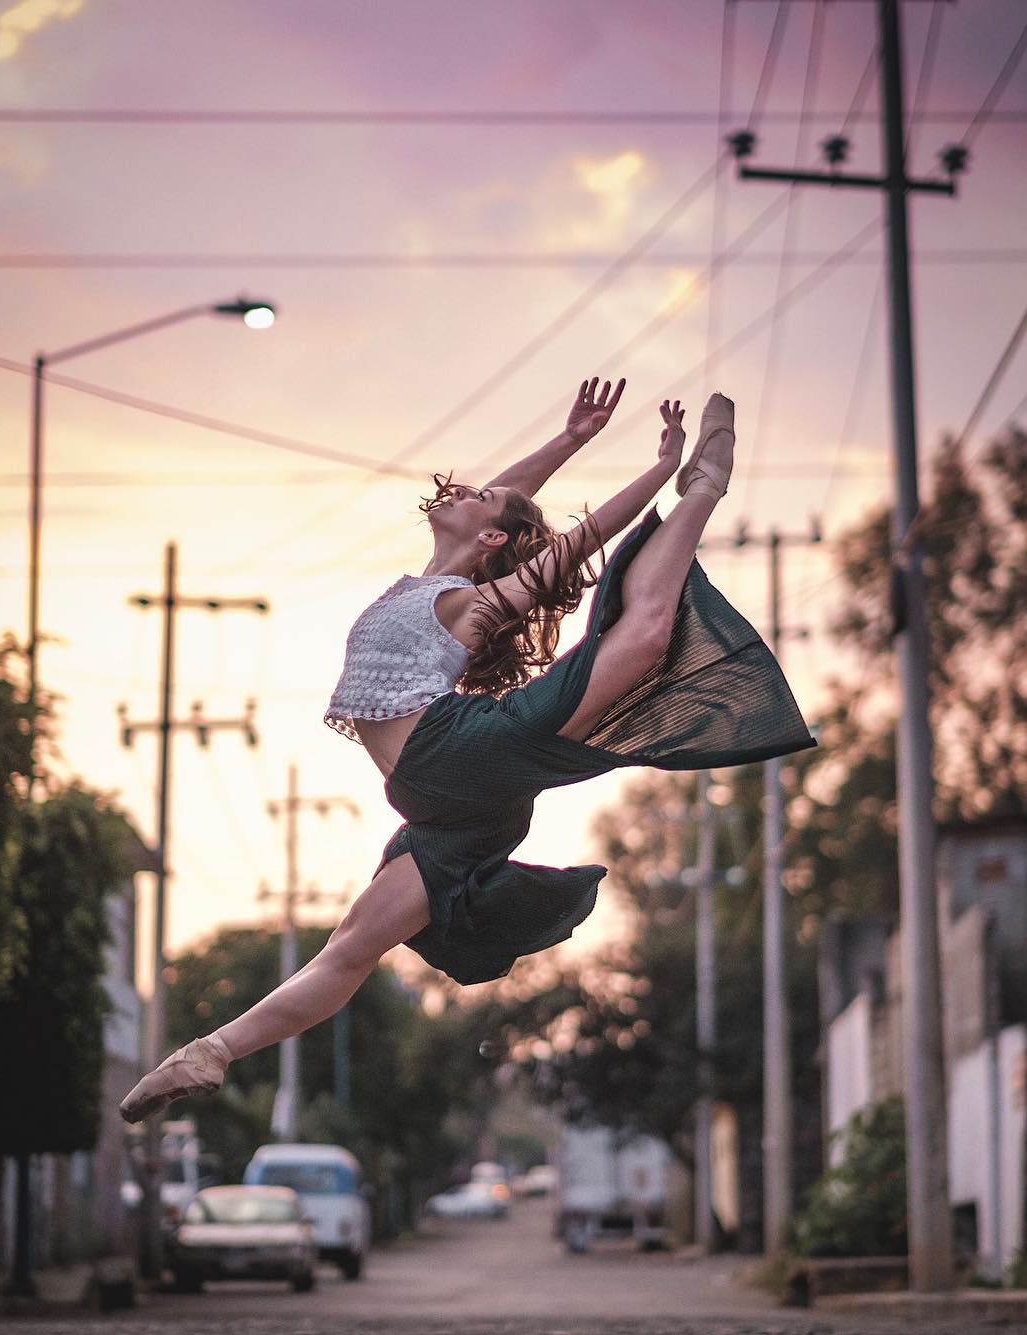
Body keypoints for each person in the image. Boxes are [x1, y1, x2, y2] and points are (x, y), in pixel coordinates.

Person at [120, 379, 814, 1123]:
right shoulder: (430, 582)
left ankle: (703, 485)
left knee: (640, 637)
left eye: (482, 497)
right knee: (349, 947)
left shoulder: (469, 604)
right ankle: (209, 1053)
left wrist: (658, 474)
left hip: (464, 754)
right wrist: (572, 438)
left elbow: (573, 542)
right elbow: (510, 499)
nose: (475, 487)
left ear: (488, 539)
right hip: (446, 803)